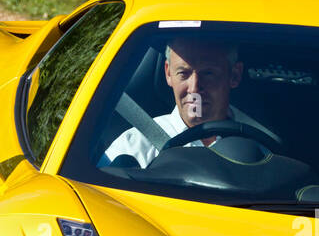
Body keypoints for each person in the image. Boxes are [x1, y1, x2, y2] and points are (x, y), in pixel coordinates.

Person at [99, 37, 253, 168]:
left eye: (208, 73)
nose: (194, 88)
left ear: (234, 75)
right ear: (168, 73)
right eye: (183, 74)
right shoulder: (136, 146)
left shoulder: (258, 148)